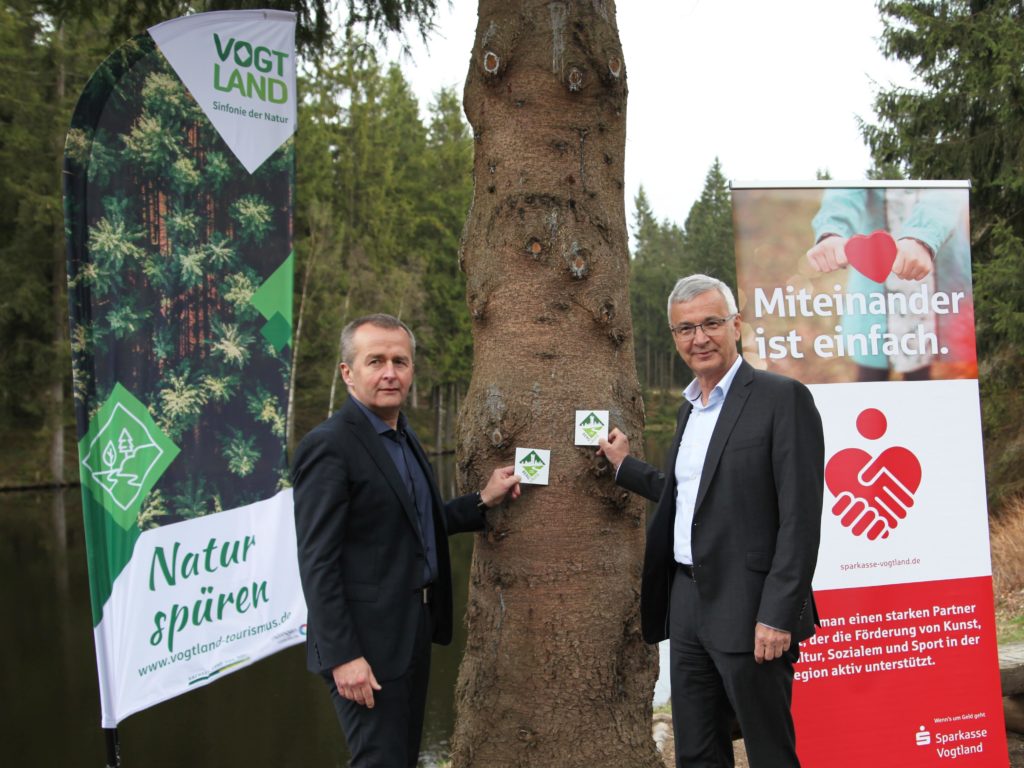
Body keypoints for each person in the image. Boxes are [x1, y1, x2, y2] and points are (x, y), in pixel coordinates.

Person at [598, 275, 824, 767]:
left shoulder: (781, 399)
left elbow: (801, 519)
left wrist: (777, 613)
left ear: (736, 326)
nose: (698, 338)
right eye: (684, 329)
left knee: (769, 752)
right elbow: (691, 496)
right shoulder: (690, 409)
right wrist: (624, 467)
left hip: (751, 606)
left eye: (710, 323)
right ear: (674, 337)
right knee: (697, 750)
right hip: (688, 602)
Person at [292, 313, 521, 767]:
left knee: (402, 757)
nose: (390, 372)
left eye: (401, 361)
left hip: (410, 629)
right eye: (375, 360)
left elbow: (419, 524)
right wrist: (344, 657)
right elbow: (317, 561)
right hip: (364, 643)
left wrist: (482, 500)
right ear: (347, 372)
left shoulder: (401, 437)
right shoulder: (330, 446)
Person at [805, 187, 973, 381]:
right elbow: (844, 191)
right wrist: (832, 230)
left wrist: (922, 237)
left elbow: (945, 195)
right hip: (875, 286)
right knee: (871, 363)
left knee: (923, 365)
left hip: (931, 278)